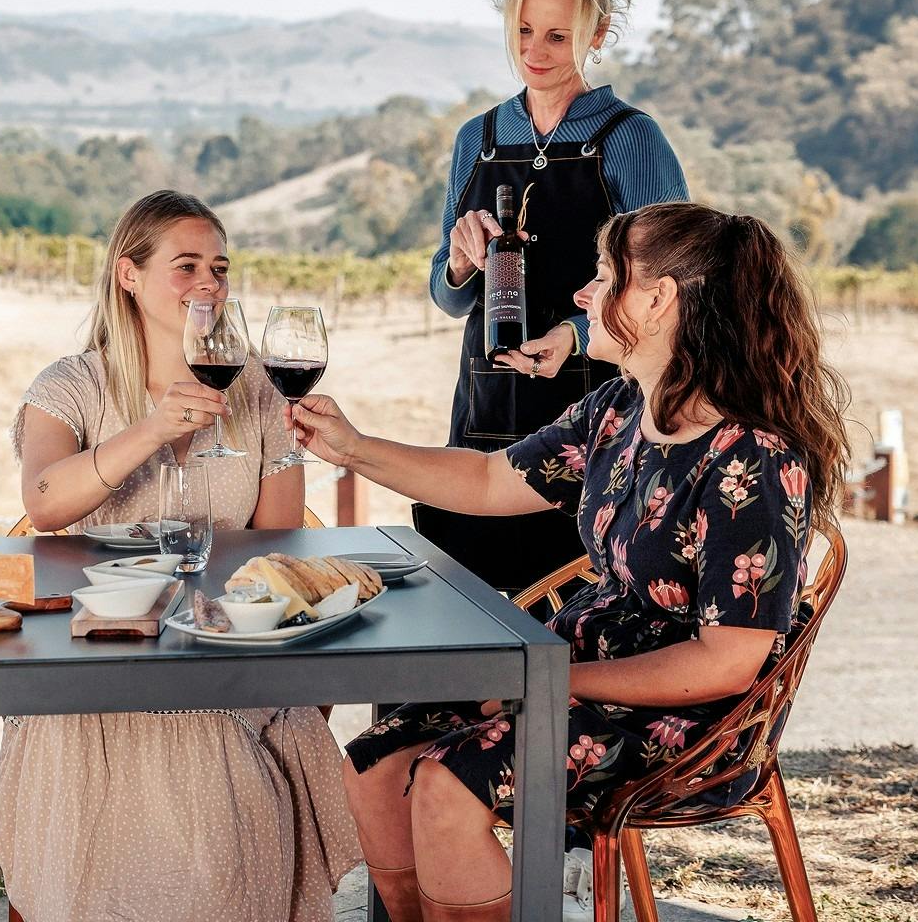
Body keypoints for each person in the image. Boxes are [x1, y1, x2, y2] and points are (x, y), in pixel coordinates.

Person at [289, 202, 849, 922]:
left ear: (657, 299)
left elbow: (727, 662)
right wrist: (354, 448)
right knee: (373, 765)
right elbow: (489, 480)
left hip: (685, 715)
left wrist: (547, 684)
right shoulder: (618, 409)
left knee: (444, 785)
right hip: (568, 671)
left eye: (605, 276)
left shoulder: (752, 460)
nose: (583, 294)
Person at [0, 189, 360, 922]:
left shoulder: (257, 392)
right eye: (186, 265)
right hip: (97, 648)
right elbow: (45, 502)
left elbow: (277, 545)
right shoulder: (71, 385)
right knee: (165, 743)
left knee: (214, 745)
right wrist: (152, 429)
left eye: (219, 268)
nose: (208, 284)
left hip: (223, 641)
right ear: (128, 275)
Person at [423, 0, 688, 592]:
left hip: (602, 410)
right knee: (476, 603)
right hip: (484, 410)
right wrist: (459, 265)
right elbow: (447, 296)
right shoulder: (476, 138)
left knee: (577, 604)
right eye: (522, 31)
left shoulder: (631, 139)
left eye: (557, 36)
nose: (533, 52)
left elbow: (675, 285)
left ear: (597, 35)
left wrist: (572, 333)